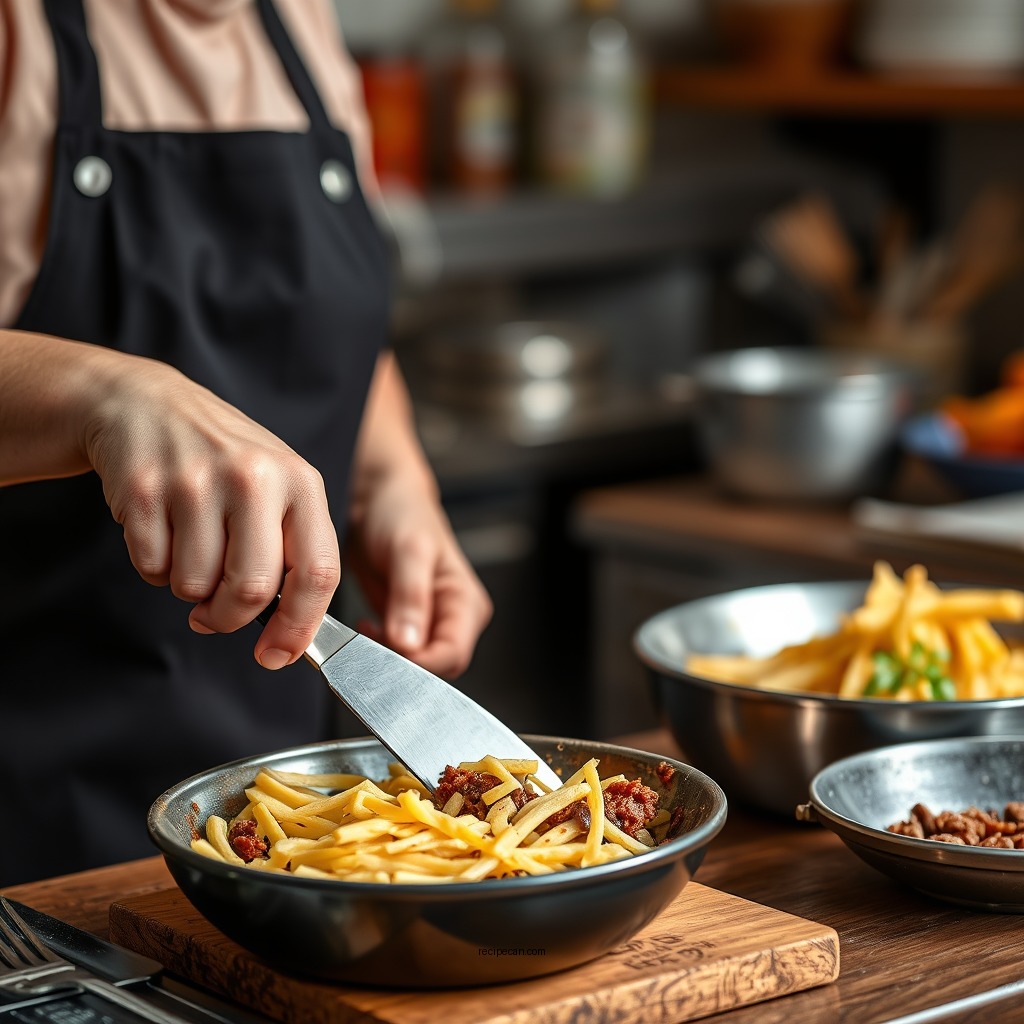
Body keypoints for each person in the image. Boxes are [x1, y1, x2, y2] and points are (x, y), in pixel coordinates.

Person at [0, 0, 492, 885]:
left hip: (276, 823)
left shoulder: (298, 20)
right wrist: (105, 392)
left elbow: (332, 321)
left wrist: (390, 480)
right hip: (30, 831)